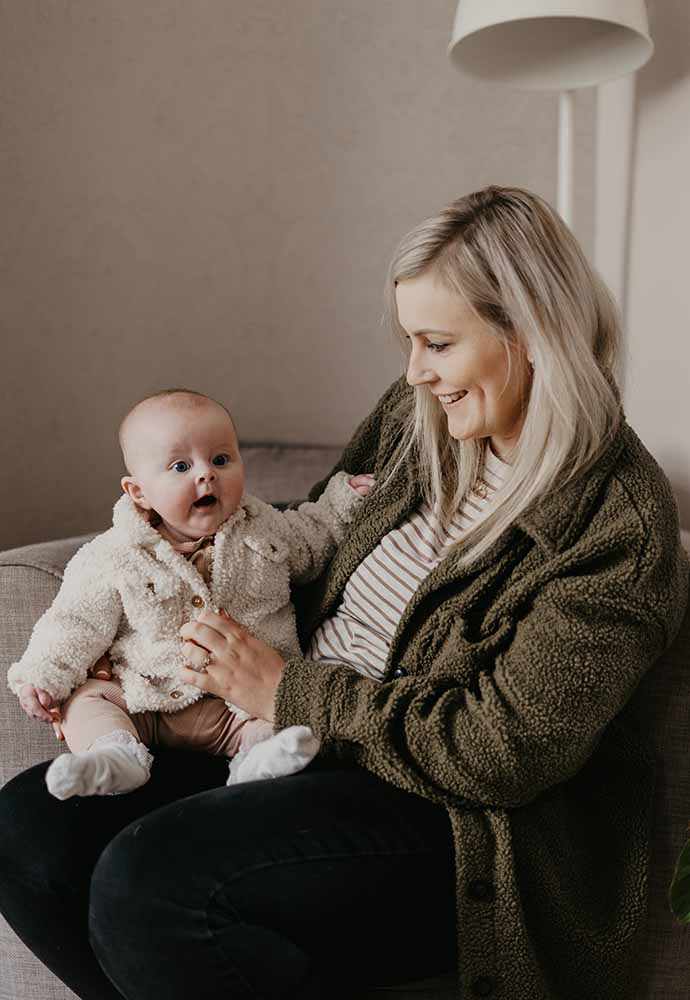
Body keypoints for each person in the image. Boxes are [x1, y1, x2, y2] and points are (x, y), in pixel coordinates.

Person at [0, 185, 687, 1000]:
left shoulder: (618, 525)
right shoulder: (415, 417)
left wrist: (284, 689)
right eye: (409, 341)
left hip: (454, 819)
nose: (414, 371)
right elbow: (301, 543)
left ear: (532, 334)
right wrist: (163, 658)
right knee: (28, 831)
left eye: (436, 342)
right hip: (288, 742)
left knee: (153, 881)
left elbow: (501, 755)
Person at [7, 388, 375, 795]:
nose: (206, 474)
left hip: (239, 701)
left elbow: (314, 536)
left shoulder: (264, 527)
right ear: (138, 492)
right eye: (180, 466)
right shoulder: (112, 555)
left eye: (221, 459)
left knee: (288, 716)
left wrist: (345, 501)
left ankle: (258, 759)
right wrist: (43, 678)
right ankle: (116, 754)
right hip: (145, 697)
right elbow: (74, 620)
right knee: (86, 699)